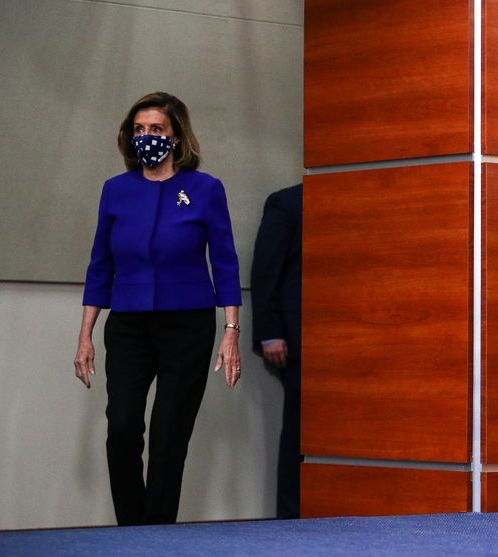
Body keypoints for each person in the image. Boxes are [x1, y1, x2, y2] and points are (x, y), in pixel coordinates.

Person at [73, 92, 242, 526]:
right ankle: (131, 530)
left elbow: (224, 261)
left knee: (169, 435)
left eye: (156, 129)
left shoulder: (205, 189)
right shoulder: (116, 190)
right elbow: (100, 265)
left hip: (187, 325)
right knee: (124, 429)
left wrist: (231, 332)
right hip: (128, 324)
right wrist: (85, 336)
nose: (146, 137)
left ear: (176, 135)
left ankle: (158, 534)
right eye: (139, 130)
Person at [250, 183, 302, 519]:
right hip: (297, 340)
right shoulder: (286, 202)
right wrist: (269, 333)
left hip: (346, 340)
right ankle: (292, 516)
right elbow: (265, 270)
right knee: (299, 433)